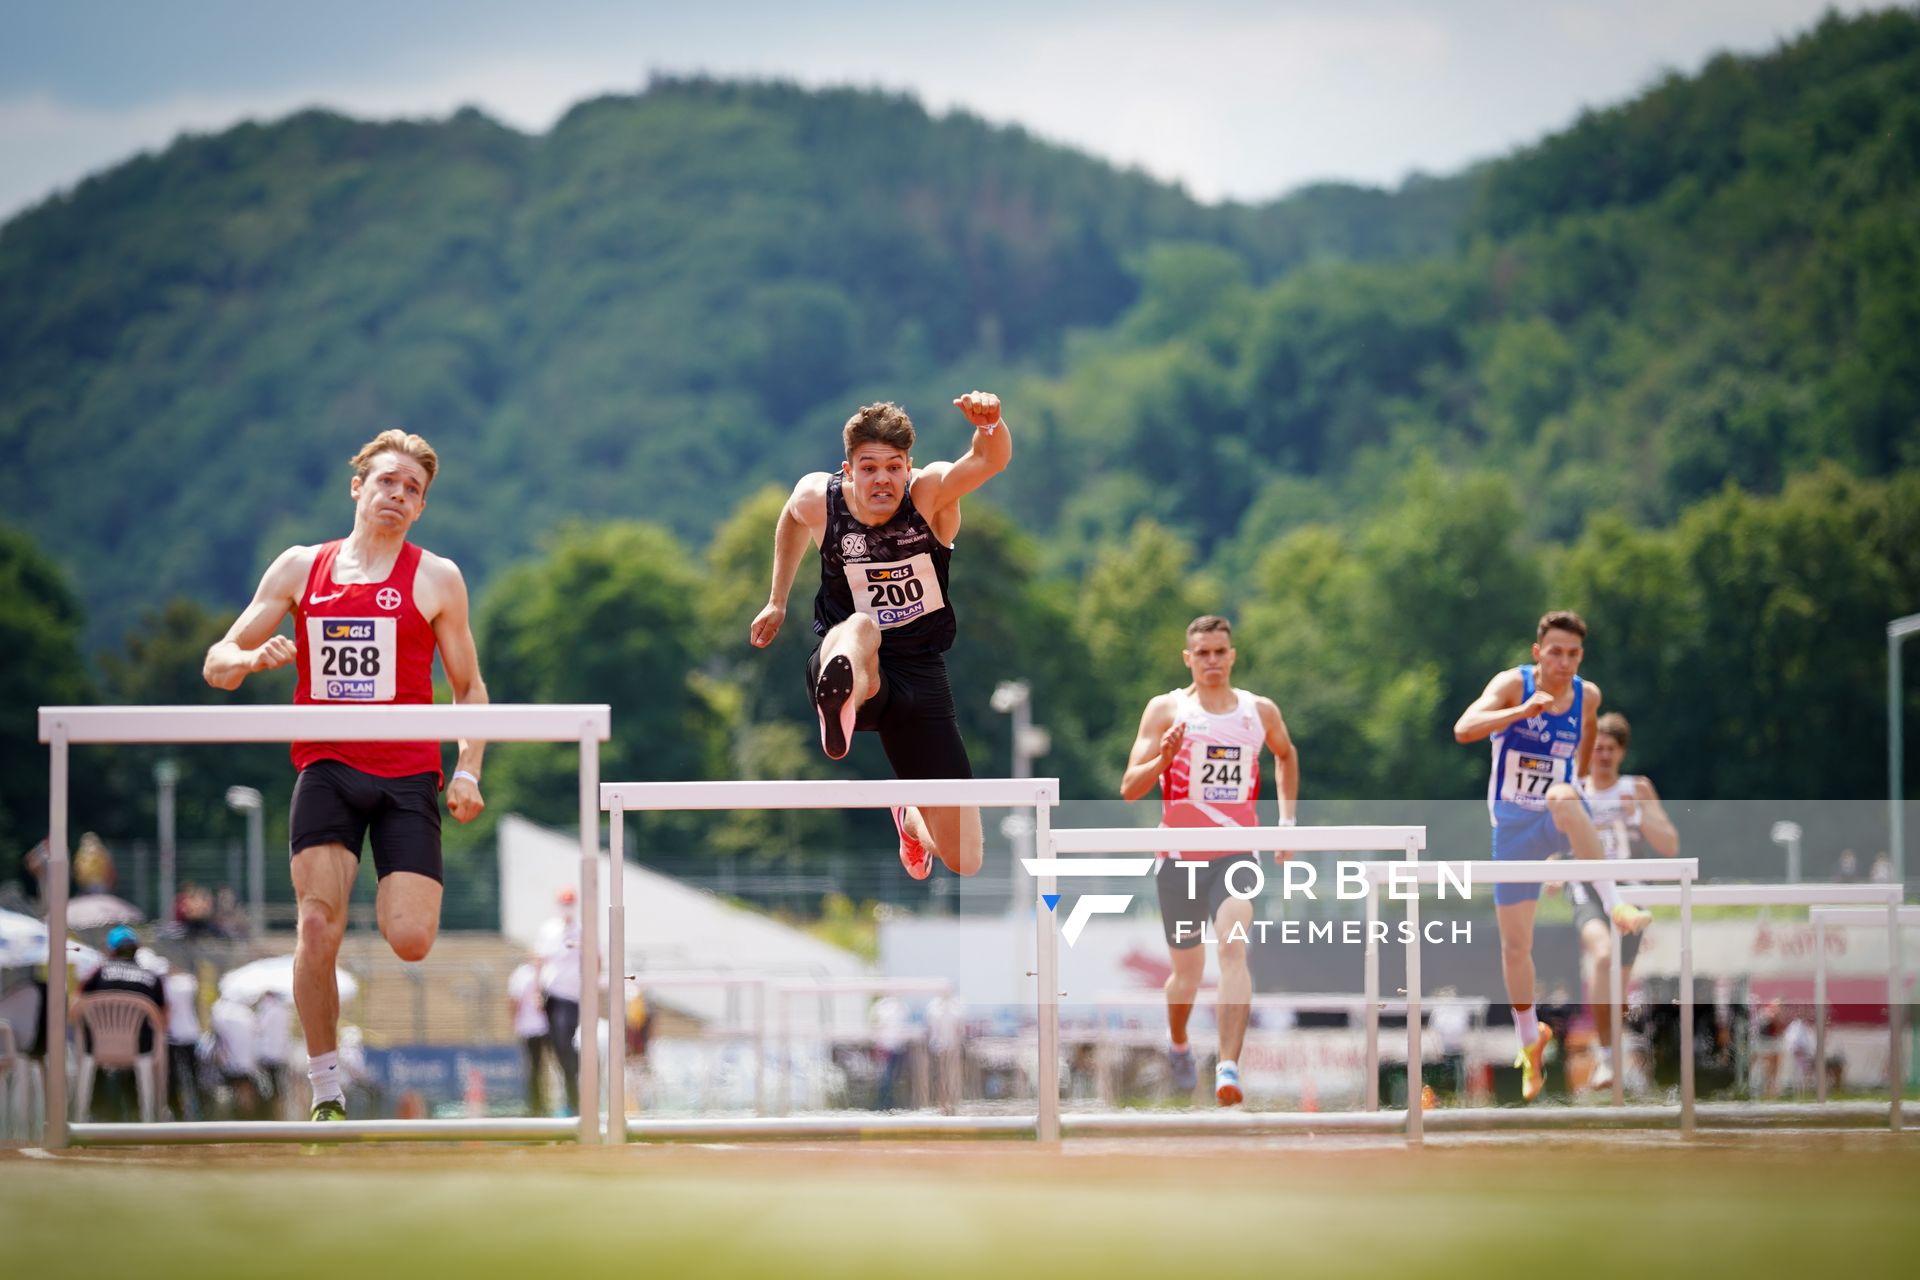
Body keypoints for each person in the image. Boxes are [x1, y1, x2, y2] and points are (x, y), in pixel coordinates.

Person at [203, 429, 490, 1121]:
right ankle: (325, 1087)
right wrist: (245, 661)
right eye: (387, 482)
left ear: (421, 508)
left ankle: (343, 1027)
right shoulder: (302, 568)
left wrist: (468, 768)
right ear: (358, 486)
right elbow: (217, 660)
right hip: (327, 767)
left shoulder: (436, 578)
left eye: (412, 490)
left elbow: (469, 688)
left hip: (406, 776)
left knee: (412, 939)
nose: (397, 496)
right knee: (315, 928)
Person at [749, 393, 1012, 880]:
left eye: (894, 467)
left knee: (968, 859)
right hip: (852, 661)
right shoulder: (819, 499)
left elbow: (987, 460)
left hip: (921, 675)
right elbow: (790, 517)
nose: (883, 480)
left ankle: (909, 817)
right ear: (847, 471)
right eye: (869, 468)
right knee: (862, 627)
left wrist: (991, 424)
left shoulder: (929, 493)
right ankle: (841, 697)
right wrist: (777, 599)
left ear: (908, 468)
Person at [1453, 610, 1649, 1103]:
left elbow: (1585, 735)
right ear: (1538, 652)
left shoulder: (1589, 695)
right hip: (1514, 831)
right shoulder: (1513, 685)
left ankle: (1615, 904)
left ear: (1581, 657)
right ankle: (1529, 1040)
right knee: (1515, 948)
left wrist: (1576, 784)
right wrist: (1519, 714)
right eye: (1555, 653)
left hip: (1557, 816)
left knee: (1563, 798)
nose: (1564, 663)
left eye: (1574, 654)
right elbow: (1464, 728)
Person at [1120, 615, 1299, 1107]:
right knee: (1187, 976)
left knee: (1233, 950)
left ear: (1233, 655)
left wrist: (1286, 824)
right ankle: (1179, 1043)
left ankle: (1228, 1066)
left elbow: (1286, 756)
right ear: (1188, 658)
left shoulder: (1258, 712)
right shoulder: (1166, 710)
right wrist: (1164, 758)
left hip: (1238, 852)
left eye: (1220, 652)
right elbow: (1129, 788)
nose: (1213, 661)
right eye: (1203, 653)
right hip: (1179, 858)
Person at [1576, 711, 1679, 1092]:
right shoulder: (1575, 789)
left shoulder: (1637, 788)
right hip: (1586, 890)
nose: (1602, 755)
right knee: (1601, 957)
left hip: (1632, 894)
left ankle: (1609, 1051)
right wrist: (1553, 868)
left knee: (1617, 983)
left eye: (1610, 749)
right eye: (1597, 748)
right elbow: (1557, 840)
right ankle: (1604, 1056)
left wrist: (1637, 813)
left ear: (1621, 753)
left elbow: (1669, 844)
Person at [79, 925, 165, 1121]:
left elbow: (77, 1007)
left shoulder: (97, 974)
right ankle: (142, 1115)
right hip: (139, 1050)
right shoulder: (152, 978)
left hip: (97, 1049)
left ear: (110, 949)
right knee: (144, 1053)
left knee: (97, 1067)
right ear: (138, 948)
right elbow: (163, 1020)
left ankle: (91, 1115)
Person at [536, 888, 583, 1116]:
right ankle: (568, 1097)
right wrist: (537, 991)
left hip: (571, 995)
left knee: (566, 1043)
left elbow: (594, 959)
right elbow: (540, 959)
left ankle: (575, 1094)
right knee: (556, 1047)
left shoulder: (582, 930)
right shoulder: (549, 929)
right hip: (551, 995)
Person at [507, 955, 550, 1116]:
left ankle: (540, 1105)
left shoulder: (546, 973)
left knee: (539, 1068)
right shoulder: (523, 974)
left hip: (542, 1027)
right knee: (535, 1068)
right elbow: (514, 1001)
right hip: (533, 1028)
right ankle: (537, 1105)